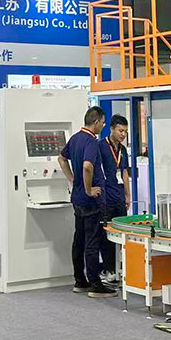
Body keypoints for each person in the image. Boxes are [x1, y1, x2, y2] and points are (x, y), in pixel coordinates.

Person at [57, 105, 114, 297]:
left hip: (78, 199)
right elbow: (88, 166)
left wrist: (72, 179)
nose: (103, 126)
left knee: (79, 240)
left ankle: (80, 281)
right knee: (92, 242)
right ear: (96, 122)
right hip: (91, 201)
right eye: (103, 123)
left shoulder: (74, 139)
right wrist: (89, 189)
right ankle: (95, 284)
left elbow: (61, 159)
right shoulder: (91, 141)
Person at [97, 115, 130, 285]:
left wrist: (128, 195)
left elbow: (124, 172)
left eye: (125, 131)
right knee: (106, 235)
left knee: (122, 233)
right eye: (120, 130)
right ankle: (108, 268)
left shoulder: (123, 150)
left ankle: (121, 268)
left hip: (119, 197)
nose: (123, 134)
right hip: (106, 197)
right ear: (111, 129)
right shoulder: (100, 147)